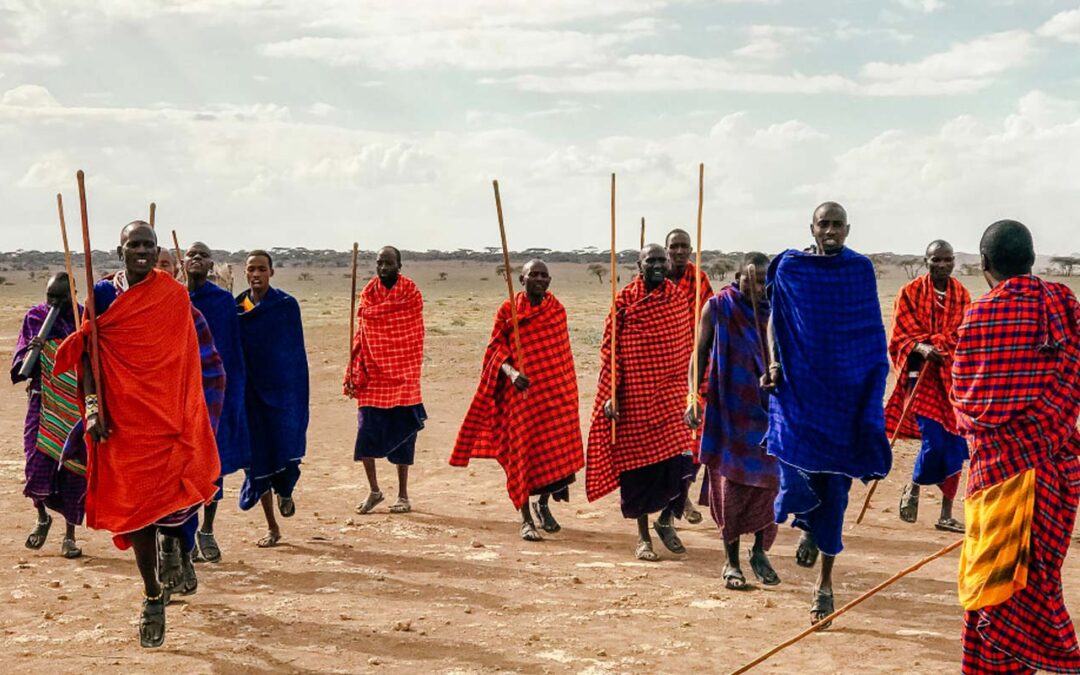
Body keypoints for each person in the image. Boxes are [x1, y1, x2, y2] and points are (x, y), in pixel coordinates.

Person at [53, 221, 220, 648]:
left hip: (166, 417)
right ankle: (151, 595)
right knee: (137, 512)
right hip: (122, 423)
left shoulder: (173, 295)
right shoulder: (103, 296)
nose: (142, 251)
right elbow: (87, 356)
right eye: (134, 245)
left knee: (174, 505)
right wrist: (92, 410)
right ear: (120, 249)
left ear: (157, 248)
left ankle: (177, 550)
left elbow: (186, 360)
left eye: (148, 244)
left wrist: (188, 412)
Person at [953, 220, 1080, 674]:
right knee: (1037, 582)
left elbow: (965, 403)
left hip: (996, 476)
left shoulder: (978, 316)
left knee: (993, 589)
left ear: (984, 265)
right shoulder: (1063, 304)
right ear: (1031, 259)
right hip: (1056, 474)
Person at [763, 202, 891, 625]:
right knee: (793, 469)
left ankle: (825, 584)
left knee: (834, 490)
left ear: (848, 229)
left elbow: (869, 332)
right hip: (798, 393)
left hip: (843, 400)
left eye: (838, 224)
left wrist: (870, 385)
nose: (831, 230)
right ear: (812, 227)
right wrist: (774, 363)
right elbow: (775, 320)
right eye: (825, 224)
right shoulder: (791, 268)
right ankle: (807, 527)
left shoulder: (859, 271)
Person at [451, 260, 584, 541]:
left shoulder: (557, 311)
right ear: (521, 280)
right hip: (520, 396)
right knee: (521, 454)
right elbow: (495, 350)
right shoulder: (508, 310)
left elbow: (561, 356)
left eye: (543, 275)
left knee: (553, 454)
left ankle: (543, 503)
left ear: (549, 281)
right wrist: (511, 373)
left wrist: (567, 394)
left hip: (553, 395)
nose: (538, 279)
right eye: (532, 275)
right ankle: (526, 519)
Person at [585, 244, 695, 561]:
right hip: (634, 396)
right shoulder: (623, 302)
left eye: (662, 259)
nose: (659, 264)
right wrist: (611, 394)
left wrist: (691, 394)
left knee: (681, 463)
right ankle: (643, 538)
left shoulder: (676, 299)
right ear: (639, 264)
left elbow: (686, 348)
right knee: (638, 472)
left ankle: (666, 521)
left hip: (672, 394)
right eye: (652, 260)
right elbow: (610, 351)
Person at [686, 253, 780, 590]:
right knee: (731, 490)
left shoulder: (778, 310)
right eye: (750, 280)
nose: (757, 288)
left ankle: (759, 550)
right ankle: (731, 561)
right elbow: (699, 354)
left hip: (771, 414)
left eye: (763, 281)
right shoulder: (718, 308)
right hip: (729, 412)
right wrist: (691, 400)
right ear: (736, 276)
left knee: (770, 487)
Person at [884, 240, 971, 533]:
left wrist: (943, 346)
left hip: (953, 381)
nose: (942, 265)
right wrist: (922, 347)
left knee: (956, 447)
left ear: (954, 262)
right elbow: (899, 337)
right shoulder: (908, 293)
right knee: (933, 441)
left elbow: (965, 336)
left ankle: (946, 514)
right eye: (936, 260)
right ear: (926, 261)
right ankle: (915, 487)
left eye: (947, 260)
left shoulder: (962, 295)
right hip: (920, 380)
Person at [184, 242, 252, 562]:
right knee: (182, 465)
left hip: (214, 393)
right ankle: (184, 533)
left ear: (210, 264)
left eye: (203, 255)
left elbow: (232, 349)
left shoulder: (223, 301)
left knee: (214, 462)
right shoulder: (173, 298)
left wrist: (234, 394)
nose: (197, 258)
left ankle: (207, 530)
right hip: (180, 394)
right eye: (192, 254)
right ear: (184, 262)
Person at [235, 250, 309, 547]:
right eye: (251, 269)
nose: (256, 274)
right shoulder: (237, 309)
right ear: (245, 273)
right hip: (250, 397)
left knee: (285, 452)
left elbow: (294, 354)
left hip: (282, 395)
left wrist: (293, 394)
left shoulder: (286, 306)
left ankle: (286, 491)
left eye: (261, 269)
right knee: (255, 462)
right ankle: (272, 527)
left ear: (271, 273)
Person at [10, 273, 85, 559]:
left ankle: (70, 536)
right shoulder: (36, 317)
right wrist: (35, 352)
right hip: (42, 403)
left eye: (60, 297)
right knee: (36, 464)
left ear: (73, 295)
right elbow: (21, 368)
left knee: (73, 471)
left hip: (74, 406)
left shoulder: (82, 319)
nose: (53, 302)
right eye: (49, 296)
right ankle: (42, 516)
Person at [346, 246, 425, 515]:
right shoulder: (368, 293)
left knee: (405, 435)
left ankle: (403, 495)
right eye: (379, 263)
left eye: (388, 264)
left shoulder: (410, 292)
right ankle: (374, 491)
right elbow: (363, 331)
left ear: (399, 265)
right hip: (374, 376)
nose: (383, 268)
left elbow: (411, 332)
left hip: (404, 375)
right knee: (365, 433)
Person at [666, 228, 714, 524]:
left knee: (694, 438)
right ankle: (670, 503)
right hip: (661, 371)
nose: (680, 252)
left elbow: (709, 321)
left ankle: (681, 499)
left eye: (685, 246)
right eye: (675, 246)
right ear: (667, 249)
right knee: (668, 443)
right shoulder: (653, 278)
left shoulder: (699, 280)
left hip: (695, 366)